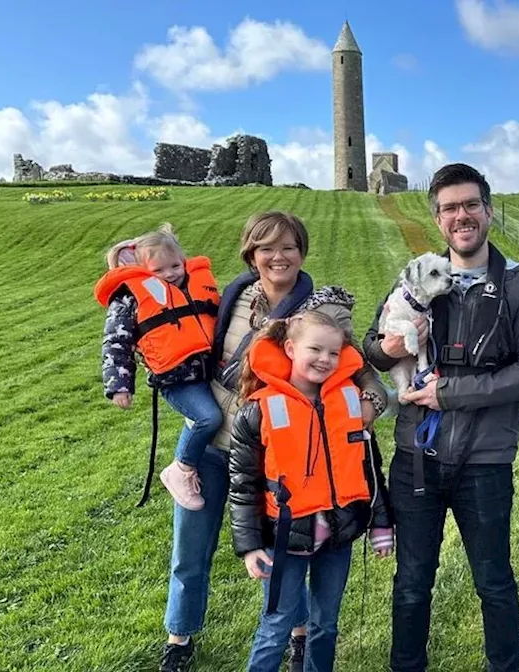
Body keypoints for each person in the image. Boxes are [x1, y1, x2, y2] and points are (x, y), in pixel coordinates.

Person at [158, 211, 390, 672]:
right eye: (266, 247)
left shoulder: (319, 311)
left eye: (288, 246)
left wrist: (367, 405)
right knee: (191, 546)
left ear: (302, 252)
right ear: (251, 254)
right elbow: (189, 348)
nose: (277, 256)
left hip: (276, 456)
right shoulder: (231, 297)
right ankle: (179, 638)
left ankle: (299, 636)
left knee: (293, 540)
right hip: (214, 442)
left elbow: (364, 377)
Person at [363, 163, 519, 671]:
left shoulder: (518, 287)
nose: (461, 216)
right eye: (450, 208)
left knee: (494, 582)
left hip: (484, 460)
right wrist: (386, 348)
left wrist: (451, 392)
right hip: (416, 460)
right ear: (438, 218)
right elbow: (371, 346)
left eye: (471, 204)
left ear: (488, 211)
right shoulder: (416, 277)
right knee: (410, 585)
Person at [229, 309, 395, 672]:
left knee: (326, 624)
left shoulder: (352, 401)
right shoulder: (259, 411)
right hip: (285, 539)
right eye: (315, 350)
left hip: (339, 536)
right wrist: (250, 545)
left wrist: (381, 524)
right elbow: (243, 484)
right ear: (290, 348)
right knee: (276, 624)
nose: (325, 359)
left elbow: (369, 468)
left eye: (334, 353)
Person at [95, 223, 224, 511]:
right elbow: (116, 341)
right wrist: (119, 386)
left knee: (218, 419)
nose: (170, 275)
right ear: (143, 270)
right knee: (208, 418)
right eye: (159, 271)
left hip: (208, 372)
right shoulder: (130, 296)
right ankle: (180, 470)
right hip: (175, 379)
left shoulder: (194, 284)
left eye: (175, 266)